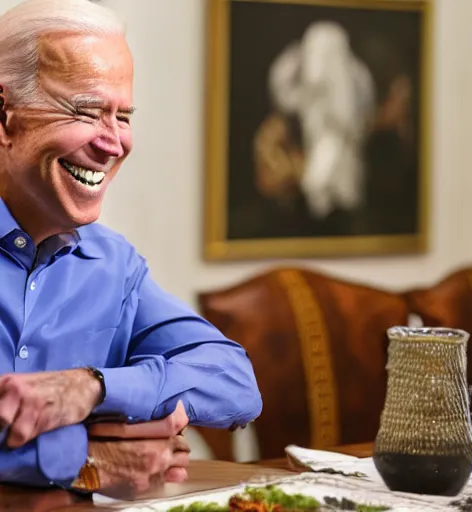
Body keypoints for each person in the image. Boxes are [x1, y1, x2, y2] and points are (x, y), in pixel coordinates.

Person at [0, 0, 262, 493]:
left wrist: (91, 387)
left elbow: (234, 382)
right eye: (85, 110)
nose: (114, 142)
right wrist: (87, 457)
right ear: (4, 114)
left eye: (123, 116)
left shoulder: (111, 264)